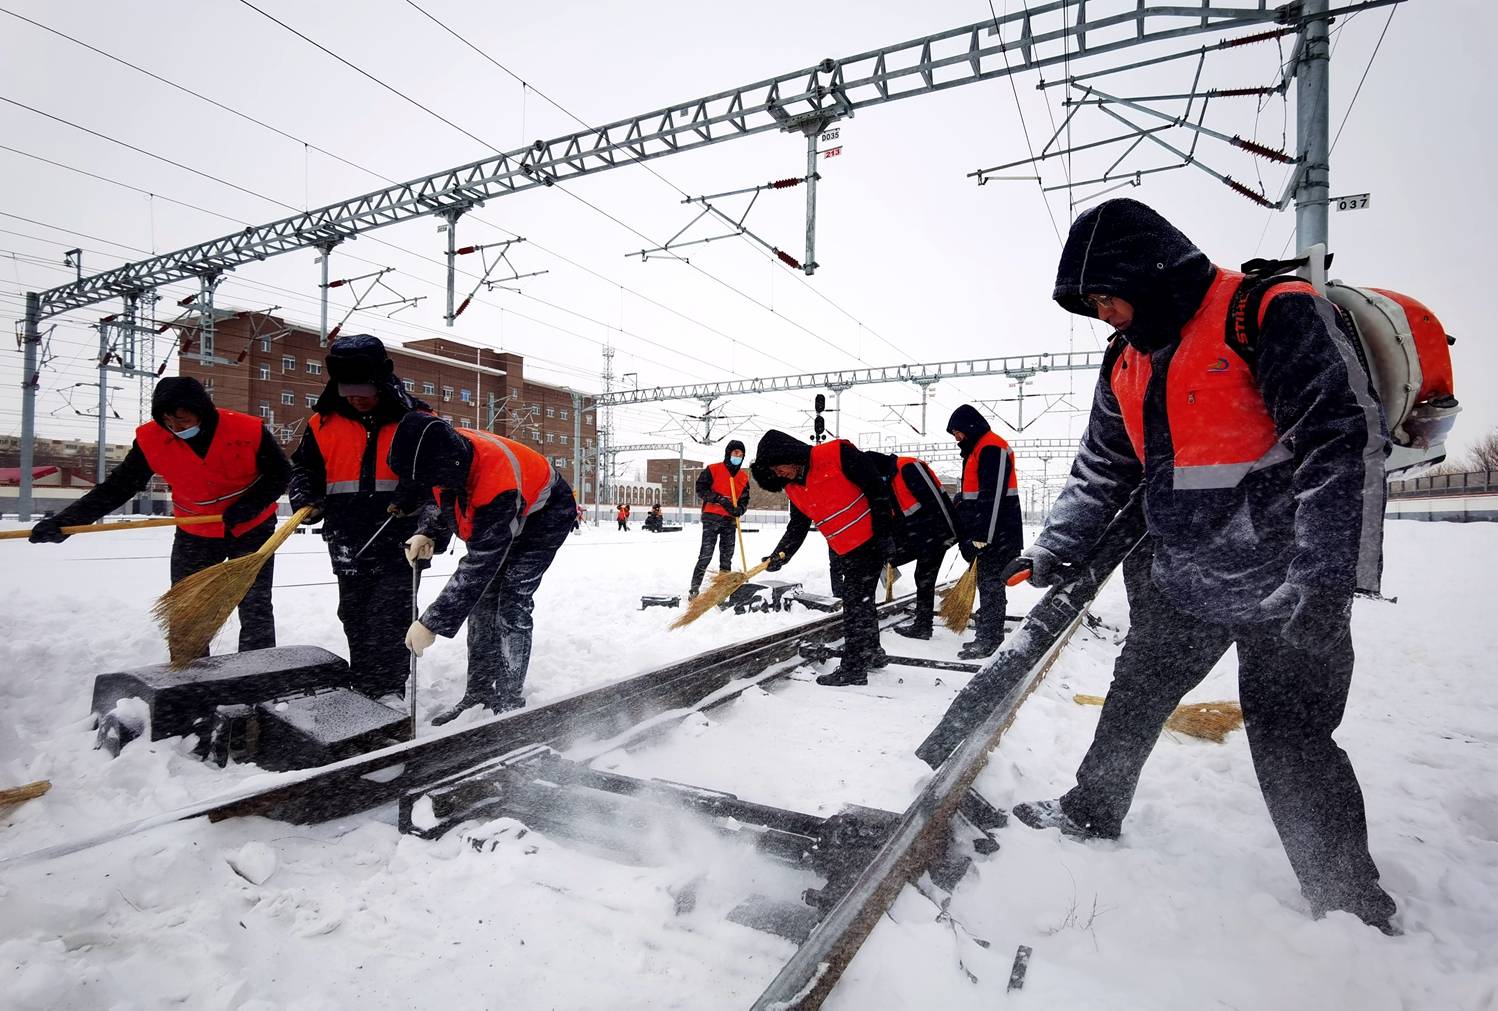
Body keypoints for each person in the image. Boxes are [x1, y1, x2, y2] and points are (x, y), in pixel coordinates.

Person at [1005, 198, 1396, 933]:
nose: (1104, 313)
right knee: (1134, 697)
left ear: (1145, 274)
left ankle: (1348, 898)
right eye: (1092, 305)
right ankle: (1094, 807)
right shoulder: (1125, 359)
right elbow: (1101, 468)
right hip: (1184, 578)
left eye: (1106, 295)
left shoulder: (1267, 313)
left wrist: (1323, 574)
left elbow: (1336, 446)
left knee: (1291, 737)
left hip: (1285, 584)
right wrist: (1052, 547)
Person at [29, 376, 289, 654]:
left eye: (184, 421)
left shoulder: (246, 429)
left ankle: (259, 671)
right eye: (169, 423)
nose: (176, 429)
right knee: (188, 605)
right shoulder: (151, 439)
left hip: (251, 526)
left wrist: (251, 504)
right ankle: (190, 675)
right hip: (195, 531)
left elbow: (281, 473)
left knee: (254, 602)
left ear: (202, 411)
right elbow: (119, 486)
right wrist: (65, 523)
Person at [389, 414, 576, 725]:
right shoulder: (444, 453)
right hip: (510, 508)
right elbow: (442, 497)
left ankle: (508, 701)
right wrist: (430, 532)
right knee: (481, 605)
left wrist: (432, 622)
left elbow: (482, 561)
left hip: (546, 517)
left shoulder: (494, 482)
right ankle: (478, 694)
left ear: (449, 468)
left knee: (511, 602)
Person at [287, 335, 439, 700]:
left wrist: (428, 526)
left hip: (401, 537)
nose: (355, 397)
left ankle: (388, 690)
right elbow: (303, 468)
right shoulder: (322, 422)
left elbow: (438, 481)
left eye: (363, 389)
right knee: (353, 615)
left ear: (383, 382)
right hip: (347, 536)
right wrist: (304, 494)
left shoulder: (418, 421)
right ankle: (364, 683)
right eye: (347, 389)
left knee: (389, 617)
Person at [752, 430, 895, 686]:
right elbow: (797, 526)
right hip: (847, 550)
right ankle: (871, 652)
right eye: (774, 473)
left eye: (778, 468)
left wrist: (885, 535)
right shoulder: (794, 487)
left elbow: (878, 489)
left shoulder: (836, 455)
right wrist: (780, 556)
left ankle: (853, 669)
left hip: (869, 542)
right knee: (861, 603)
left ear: (788, 455)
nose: (779, 474)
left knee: (854, 606)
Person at [946, 405, 1023, 659]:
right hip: (986, 533)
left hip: (996, 535)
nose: (957, 438)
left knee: (991, 587)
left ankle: (989, 640)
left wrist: (983, 536)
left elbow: (993, 496)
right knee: (987, 585)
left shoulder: (992, 447)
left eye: (957, 432)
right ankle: (987, 635)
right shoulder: (977, 449)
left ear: (969, 427)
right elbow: (976, 493)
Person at [870, 453, 960, 640]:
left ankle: (923, 626)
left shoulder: (907, 466)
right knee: (911, 571)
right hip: (921, 537)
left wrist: (948, 533)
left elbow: (937, 502)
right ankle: (922, 625)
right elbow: (901, 517)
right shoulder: (890, 480)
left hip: (936, 534)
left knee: (924, 577)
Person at [689, 440, 750, 597]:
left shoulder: (743, 477)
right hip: (712, 518)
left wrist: (739, 509)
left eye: (741, 454)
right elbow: (700, 489)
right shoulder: (713, 469)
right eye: (735, 453)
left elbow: (744, 499)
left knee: (726, 557)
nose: (738, 456)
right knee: (705, 555)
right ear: (728, 453)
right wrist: (719, 499)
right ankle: (694, 589)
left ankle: (722, 590)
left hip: (730, 521)